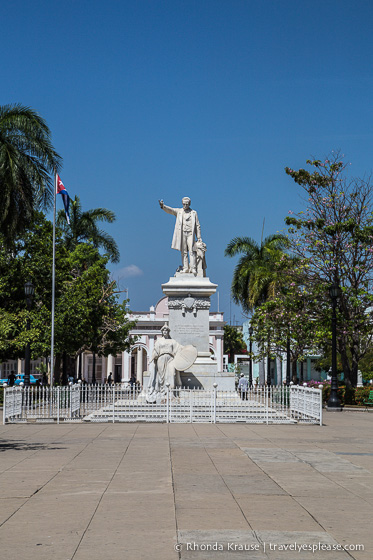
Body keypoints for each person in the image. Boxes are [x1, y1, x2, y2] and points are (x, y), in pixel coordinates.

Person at [159, 197, 203, 275]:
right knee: (184, 252)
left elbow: (197, 225)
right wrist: (163, 206)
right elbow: (170, 210)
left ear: (189, 204)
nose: (185, 205)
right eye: (183, 204)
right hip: (182, 233)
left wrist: (199, 237)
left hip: (190, 234)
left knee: (192, 251)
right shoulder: (179, 211)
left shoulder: (193, 213)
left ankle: (193, 268)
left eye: (186, 204)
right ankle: (185, 268)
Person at [147, 324, 182, 401]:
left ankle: (170, 392)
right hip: (161, 358)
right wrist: (152, 358)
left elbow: (179, 348)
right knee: (161, 377)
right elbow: (155, 351)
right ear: (162, 332)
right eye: (163, 330)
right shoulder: (159, 341)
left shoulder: (173, 341)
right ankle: (162, 392)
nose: (165, 331)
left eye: (166, 330)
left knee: (171, 374)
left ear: (168, 331)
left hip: (171, 358)